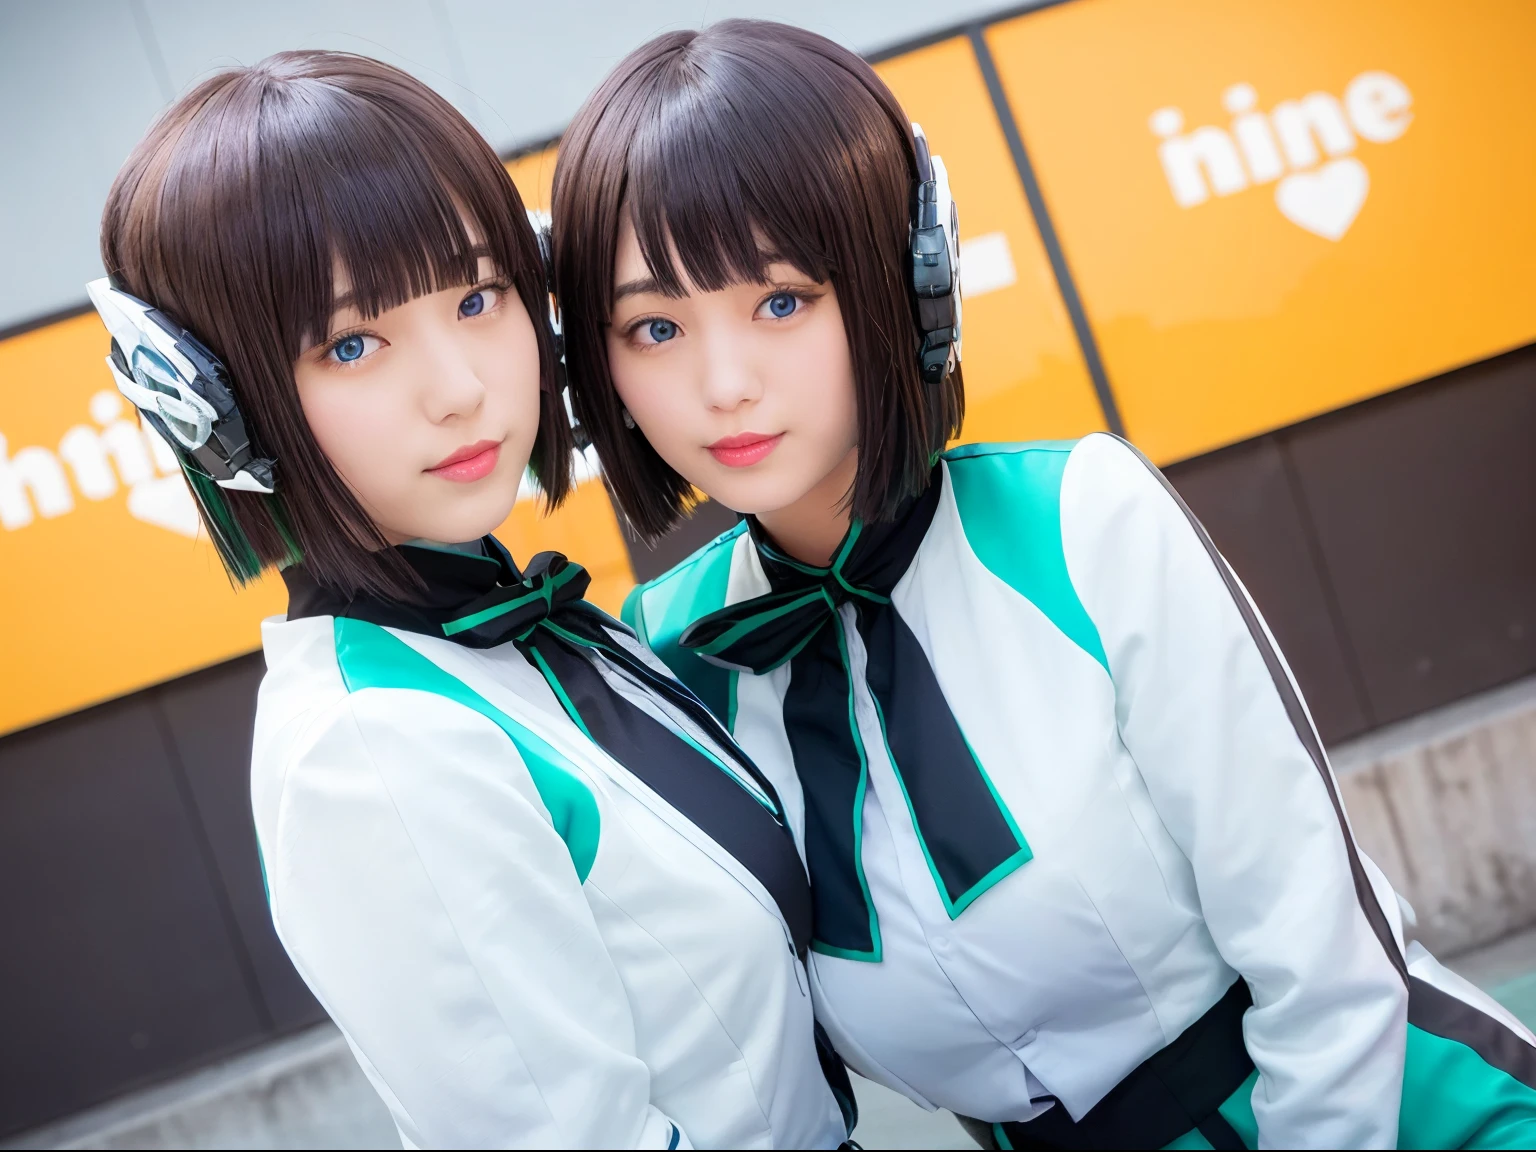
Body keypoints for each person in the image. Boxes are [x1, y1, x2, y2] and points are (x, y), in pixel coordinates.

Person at [552, 20, 1536, 1149]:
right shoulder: (672, 656)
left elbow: (1325, 959)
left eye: (781, 300)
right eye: (656, 326)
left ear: (906, 279)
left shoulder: (1080, 520)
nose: (721, 383)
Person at [89, 50, 852, 1150]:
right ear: (214, 405)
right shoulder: (375, 754)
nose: (461, 388)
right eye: (353, 344)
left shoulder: (517, 643)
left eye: (477, 296)